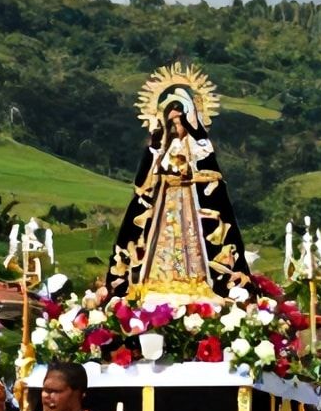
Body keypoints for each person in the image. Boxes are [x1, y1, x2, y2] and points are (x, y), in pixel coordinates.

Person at [103, 79, 251, 302]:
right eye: (170, 122)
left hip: (192, 205)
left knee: (194, 249)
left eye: (180, 120)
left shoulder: (200, 147)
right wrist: (155, 152)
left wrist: (190, 176)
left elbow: (212, 177)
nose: (175, 126)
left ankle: (199, 281)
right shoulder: (160, 148)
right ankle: (151, 282)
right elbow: (143, 184)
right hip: (163, 206)